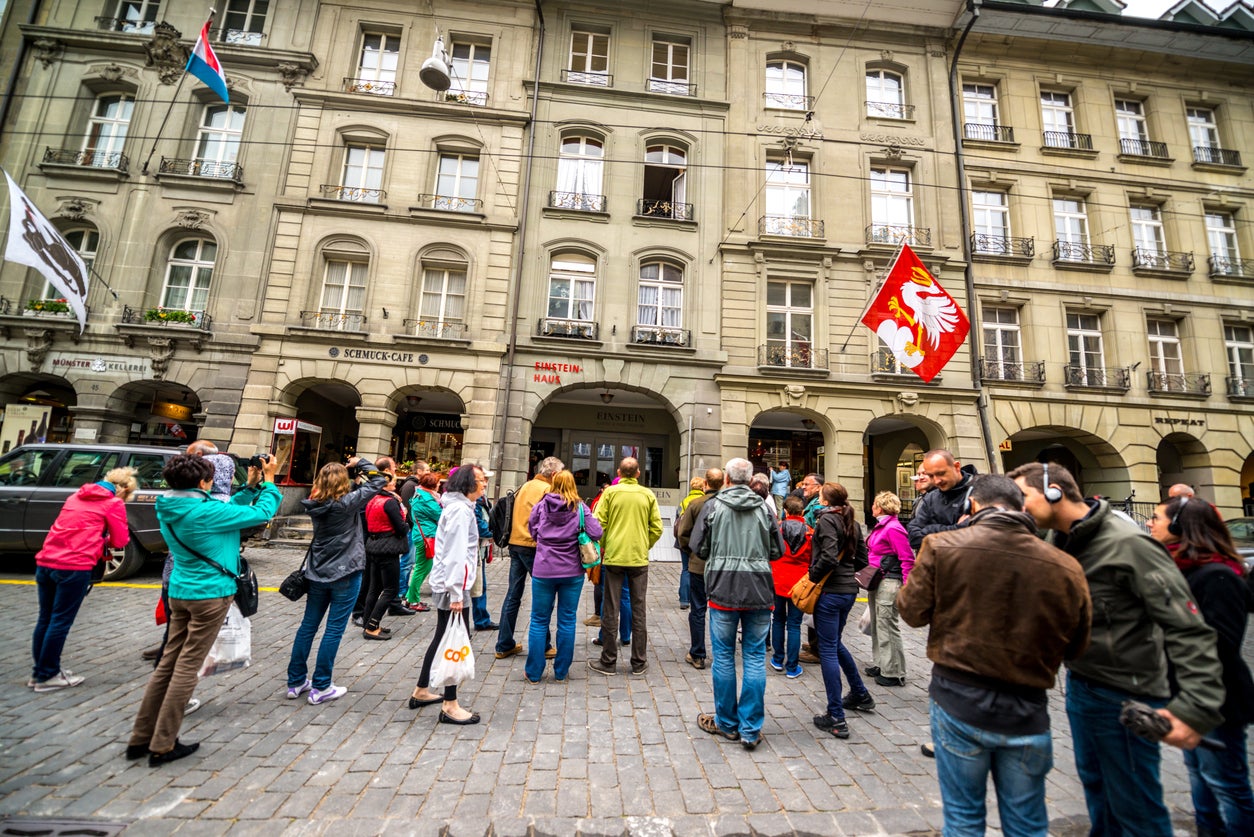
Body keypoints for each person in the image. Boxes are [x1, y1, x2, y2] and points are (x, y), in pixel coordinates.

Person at [1009, 461, 1224, 836]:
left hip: (1126, 695)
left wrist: (1196, 708)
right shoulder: (1056, 541)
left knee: (1136, 808)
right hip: (1082, 686)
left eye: (1022, 496)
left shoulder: (1128, 544)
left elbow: (1188, 629)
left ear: (1054, 491)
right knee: (1099, 793)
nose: (1017, 506)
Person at [897, 475, 1091, 837]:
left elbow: (910, 611)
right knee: (1027, 824)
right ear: (1021, 507)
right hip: (1027, 708)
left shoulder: (942, 546)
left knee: (963, 819)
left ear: (972, 505)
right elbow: (1078, 646)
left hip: (958, 697)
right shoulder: (1064, 565)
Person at [128, 453, 280, 766]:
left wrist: (250, 487)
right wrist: (270, 481)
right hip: (209, 594)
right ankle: (163, 743)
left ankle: (141, 737)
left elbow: (226, 510)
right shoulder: (205, 511)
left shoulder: (171, 505)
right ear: (202, 482)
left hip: (181, 591)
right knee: (187, 666)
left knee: (168, 662)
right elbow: (262, 513)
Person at [1149, 496, 1254, 836]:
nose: (1150, 524)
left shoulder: (1217, 576)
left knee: (1226, 786)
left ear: (1181, 526)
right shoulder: (1181, 570)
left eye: (1156, 518)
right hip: (1186, 695)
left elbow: (1221, 645)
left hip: (1216, 701)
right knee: (1202, 782)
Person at [689, 457, 785, 749]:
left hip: (723, 588)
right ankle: (750, 728)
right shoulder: (763, 509)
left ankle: (727, 722)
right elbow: (777, 550)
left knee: (724, 656)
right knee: (755, 657)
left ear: (728, 479)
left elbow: (698, 547)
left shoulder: (713, 506)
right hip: (758, 588)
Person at [287, 460, 388, 704]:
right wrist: (361, 463)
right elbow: (379, 480)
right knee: (333, 630)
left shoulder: (314, 505)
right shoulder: (346, 504)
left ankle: (296, 681)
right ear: (344, 482)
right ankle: (321, 686)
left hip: (317, 572)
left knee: (308, 626)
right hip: (345, 572)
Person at [31, 466, 137, 691]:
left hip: (46, 561)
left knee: (45, 619)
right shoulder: (113, 503)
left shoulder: (75, 496)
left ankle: (40, 671)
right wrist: (104, 536)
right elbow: (120, 541)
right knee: (60, 621)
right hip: (75, 566)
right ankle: (47, 675)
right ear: (123, 491)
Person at [407, 464, 485, 724]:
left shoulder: (457, 507)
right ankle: (450, 703)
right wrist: (456, 594)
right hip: (453, 585)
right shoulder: (461, 511)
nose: (484, 484)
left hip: (450, 582)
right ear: (468, 483)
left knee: (443, 636)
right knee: (455, 641)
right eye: (481, 480)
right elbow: (455, 553)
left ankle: (422, 689)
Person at [809, 482, 874, 740]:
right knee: (834, 644)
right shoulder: (852, 522)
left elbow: (826, 556)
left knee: (826, 649)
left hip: (830, 591)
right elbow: (862, 560)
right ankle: (860, 693)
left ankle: (836, 715)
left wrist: (812, 577)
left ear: (825, 501)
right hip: (848, 591)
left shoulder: (826, 521)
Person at [526, 470, 601, 682]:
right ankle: (561, 671)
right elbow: (597, 532)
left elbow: (532, 531)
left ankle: (533, 672)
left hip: (544, 569)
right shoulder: (580, 508)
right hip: (572, 571)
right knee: (567, 620)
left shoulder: (541, 505)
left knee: (539, 620)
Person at [589, 457, 662, 676]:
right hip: (638, 559)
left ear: (619, 472)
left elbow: (597, 524)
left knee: (611, 609)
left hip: (614, 557)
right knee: (639, 609)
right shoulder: (647, 495)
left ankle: (608, 661)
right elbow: (657, 528)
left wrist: (606, 544)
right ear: (638, 474)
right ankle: (639, 662)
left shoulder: (610, 493)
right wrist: (643, 544)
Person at [497, 457, 562, 659]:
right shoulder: (546, 490)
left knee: (513, 595)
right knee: (544, 595)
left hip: (515, 543)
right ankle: (544, 645)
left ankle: (504, 644)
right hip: (533, 546)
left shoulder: (526, 485)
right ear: (553, 474)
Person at [863, 491, 914, 688]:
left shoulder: (893, 528)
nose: (872, 507)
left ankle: (893, 671)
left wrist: (907, 584)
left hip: (889, 581)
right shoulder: (883, 526)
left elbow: (907, 558)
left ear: (881, 507)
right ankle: (881, 664)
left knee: (886, 624)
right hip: (877, 579)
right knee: (877, 623)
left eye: (875, 504)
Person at [676, 468, 724, 670]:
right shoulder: (726, 504)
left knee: (698, 609)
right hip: (723, 565)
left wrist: (692, 552)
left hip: (699, 564)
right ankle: (722, 653)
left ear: (706, 483)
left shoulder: (695, 504)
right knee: (721, 609)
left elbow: (683, 533)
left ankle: (698, 653)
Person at [361, 462, 411, 640]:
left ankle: (368, 622)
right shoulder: (390, 502)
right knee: (391, 589)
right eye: (392, 483)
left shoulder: (372, 499)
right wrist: (406, 524)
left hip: (373, 545)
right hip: (388, 547)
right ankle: (372, 625)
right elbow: (401, 527)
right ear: (384, 485)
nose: (395, 486)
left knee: (375, 588)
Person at [770, 495, 811, 679]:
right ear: (802, 512)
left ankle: (778, 659)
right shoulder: (810, 533)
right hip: (799, 584)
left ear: (785, 511)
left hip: (777, 581)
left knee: (778, 620)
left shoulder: (778, 529)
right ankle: (792, 666)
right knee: (794, 624)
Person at [906, 449, 973, 553]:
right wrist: (956, 528)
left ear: (956, 467)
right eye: (931, 476)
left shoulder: (979, 492)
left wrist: (929, 530)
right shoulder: (931, 498)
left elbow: (974, 537)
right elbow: (914, 538)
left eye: (941, 473)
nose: (937, 481)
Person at [404, 471, 443, 613]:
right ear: (432, 485)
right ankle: (413, 600)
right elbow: (441, 516)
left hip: (421, 535)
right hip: (427, 536)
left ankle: (410, 597)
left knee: (422, 568)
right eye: (438, 483)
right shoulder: (426, 499)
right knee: (422, 569)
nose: (440, 485)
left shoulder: (420, 495)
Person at [677, 476, 705, 611]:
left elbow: (678, 520)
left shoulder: (684, 501)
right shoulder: (706, 501)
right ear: (703, 487)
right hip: (700, 541)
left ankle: (684, 599)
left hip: (686, 541)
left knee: (685, 569)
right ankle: (699, 598)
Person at [471, 488, 497, 632]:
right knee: (477, 587)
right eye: (481, 480)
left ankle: (481, 619)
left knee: (480, 586)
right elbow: (478, 524)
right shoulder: (474, 502)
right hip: (473, 550)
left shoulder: (482, 500)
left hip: (479, 549)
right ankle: (481, 621)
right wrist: (491, 533)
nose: (484, 484)